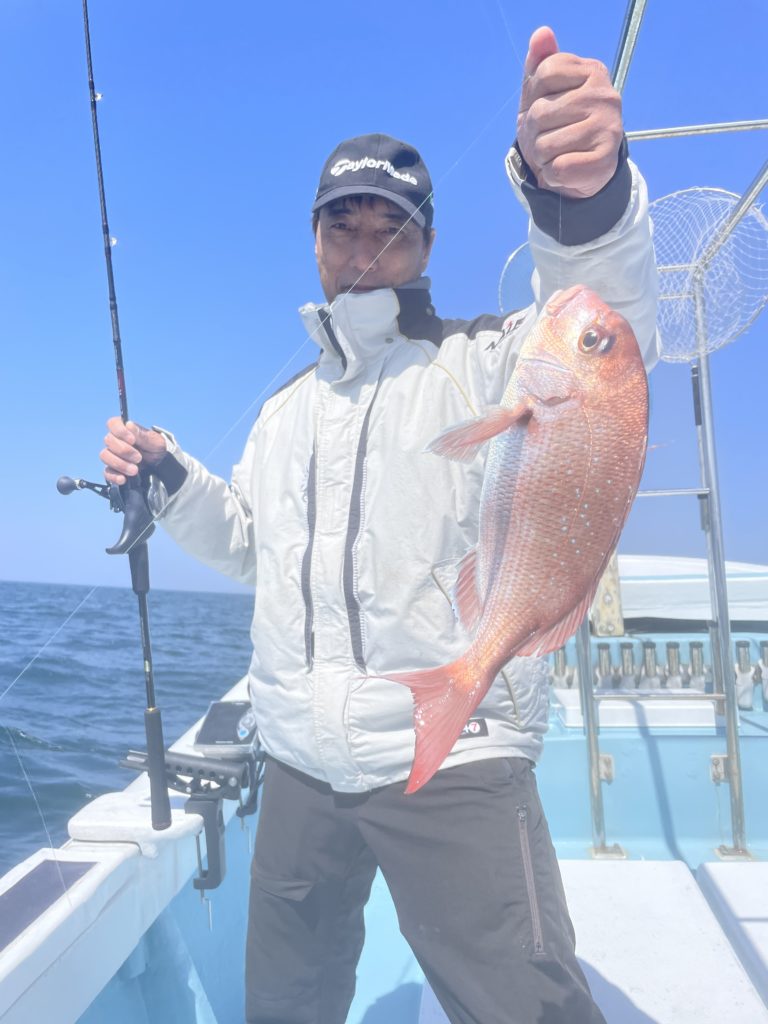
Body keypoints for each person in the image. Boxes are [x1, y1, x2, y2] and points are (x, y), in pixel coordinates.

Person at [100, 26, 658, 1024]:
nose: (363, 252)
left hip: (460, 758)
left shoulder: (488, 361)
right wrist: (172, 479)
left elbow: (607, 329)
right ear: (313, 240)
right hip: (301, 764)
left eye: (389, 229)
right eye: (342, 227)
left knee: (528, 1009)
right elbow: (251, 546)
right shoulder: (286, 411)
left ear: (426, 246)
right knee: (284, 1007)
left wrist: (584, 199)